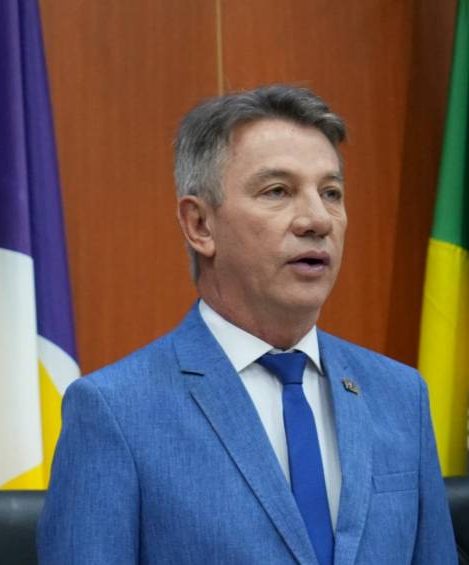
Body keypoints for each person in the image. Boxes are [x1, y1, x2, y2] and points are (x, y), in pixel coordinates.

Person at [38, 85, 456, 564]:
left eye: (331, 193)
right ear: (200, 225)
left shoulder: (401, 396)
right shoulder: (116, 411)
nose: (318, 219)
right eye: (278, 191)